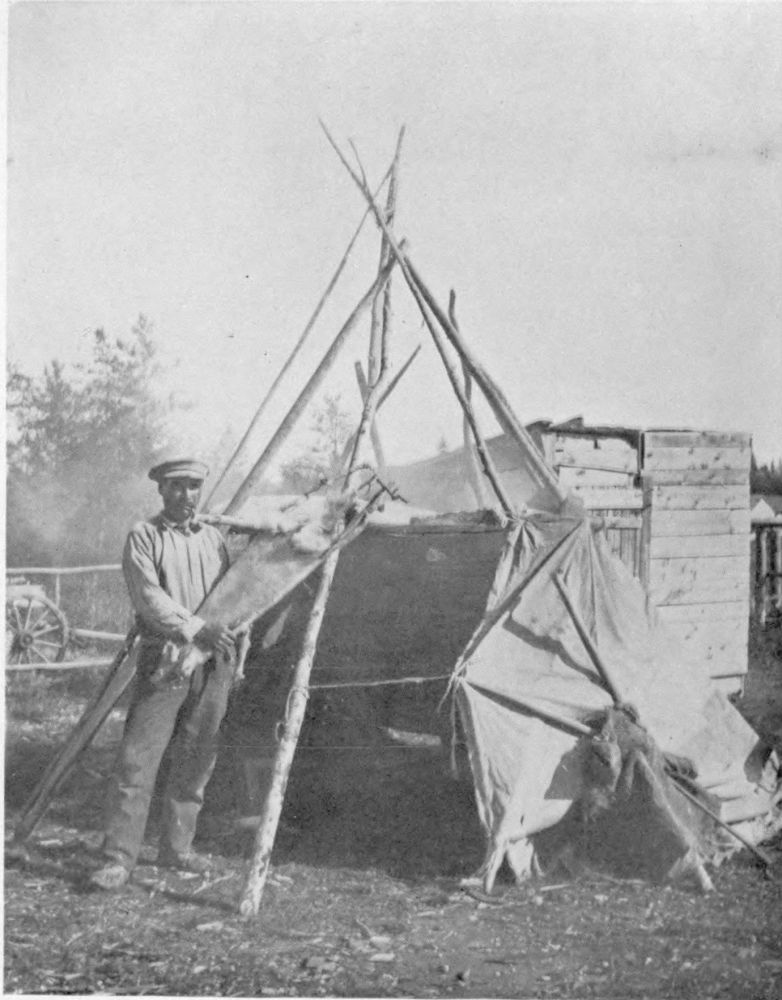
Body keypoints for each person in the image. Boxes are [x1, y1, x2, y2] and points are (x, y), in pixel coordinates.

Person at [90, 458, 235, 891]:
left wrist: (228, 642)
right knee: (138, 759)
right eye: (176, 486)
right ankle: (118, 858)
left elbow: (231, 594)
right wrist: (196, 627)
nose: (185, 495)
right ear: (161, 490)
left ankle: (177, 848)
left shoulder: (214, 539)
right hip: (166, 659)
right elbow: (148, 596)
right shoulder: (144, 535)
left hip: (212, 661)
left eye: (193, 486)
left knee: (197, 755)